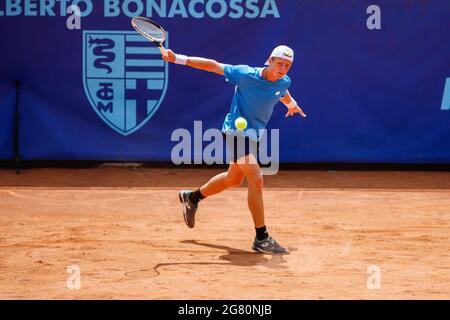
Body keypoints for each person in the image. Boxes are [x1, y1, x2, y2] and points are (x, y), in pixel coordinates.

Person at [163, 45, 306, 254]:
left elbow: (282, 92)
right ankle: (262, 237)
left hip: (253, 136)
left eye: (287, 65)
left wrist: (291, 104)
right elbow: (213, 66)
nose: (283, 68)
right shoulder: (245, 74)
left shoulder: (285, 81)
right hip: (234, 132)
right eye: (280, 63)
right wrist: (178, 59)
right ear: (270, 60)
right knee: (256, 178)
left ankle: (192, 197)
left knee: (233, 179)